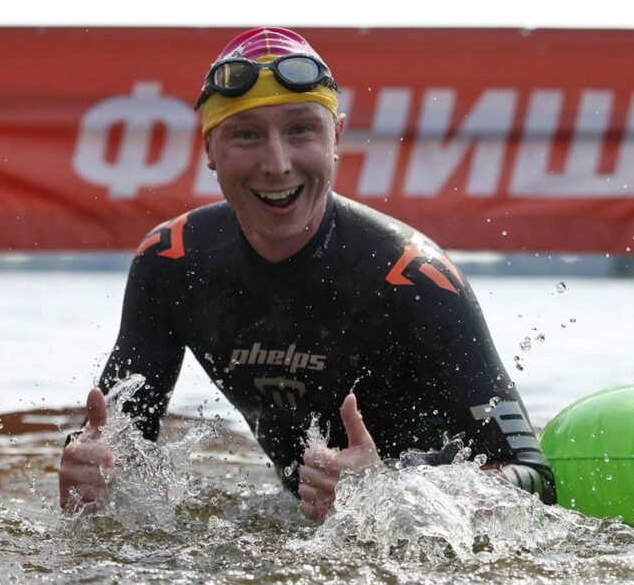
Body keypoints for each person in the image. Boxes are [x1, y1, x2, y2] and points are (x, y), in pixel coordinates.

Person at [59, 27, 556, 520]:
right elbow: (116, 436)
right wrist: (94, 471)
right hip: (296, 523)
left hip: (418, 545)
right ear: (209, 150)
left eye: (301, 130)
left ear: (336, 137)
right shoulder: (171, 262)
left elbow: (534, 477)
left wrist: (393, 492)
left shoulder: (413, 276)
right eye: (246, 134)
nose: (277, 164)